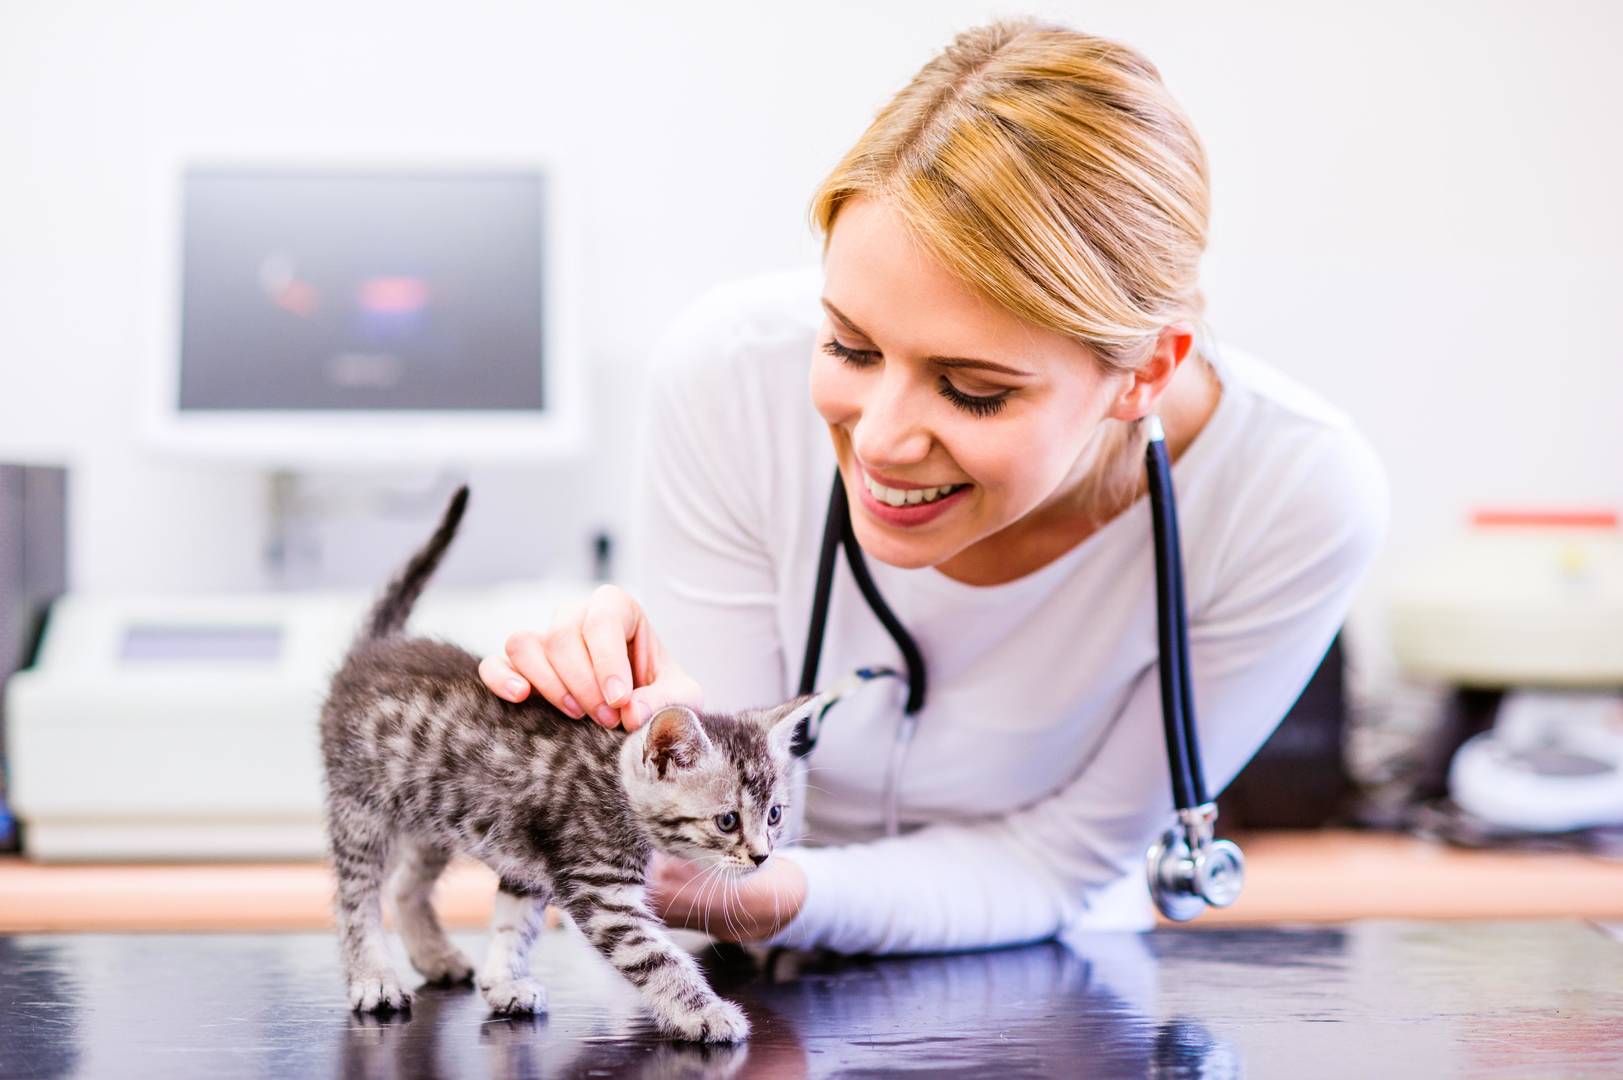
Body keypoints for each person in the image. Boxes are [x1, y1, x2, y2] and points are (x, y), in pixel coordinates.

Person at [479, 18, 1388, 954]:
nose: (878, 441)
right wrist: (604, 742)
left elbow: (1062, 859)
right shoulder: (727, 375)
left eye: (973, 391)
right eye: (847, 347)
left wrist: (782, 896)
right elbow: (703, 827)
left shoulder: (1294, 496)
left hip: (1057, 994)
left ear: (1145, 373)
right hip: (752, 986)